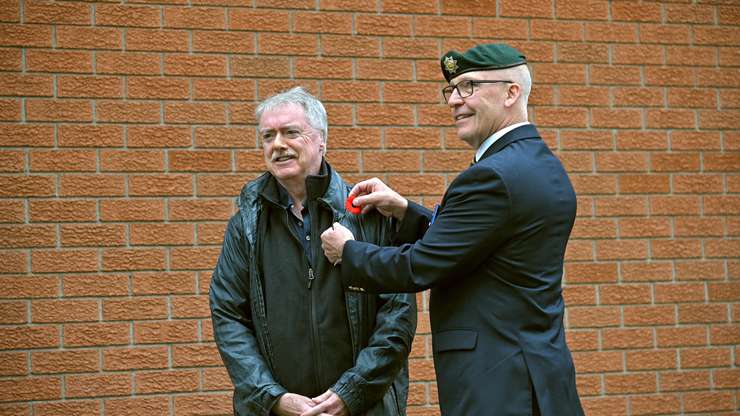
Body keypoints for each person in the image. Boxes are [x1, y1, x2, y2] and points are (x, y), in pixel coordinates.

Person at [321, 44, 584, 416]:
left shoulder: (490, 176)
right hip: (537, 378)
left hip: (498, 389)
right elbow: (483, 243)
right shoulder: (540, 164)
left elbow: (421, 266)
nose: (454, 101)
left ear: (512, 92)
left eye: (469, 87)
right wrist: (405, 212)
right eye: (452, 90)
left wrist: (348, 252)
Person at [209, 87, 416, 416]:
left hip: (363, 408)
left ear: (322, 140)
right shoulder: (246, 224)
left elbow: (396, 318)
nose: (278, 145)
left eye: (290, 132)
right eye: (268, 136)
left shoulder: (367, 216)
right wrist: (273, 398)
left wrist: (349, 394)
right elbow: (228, 316)